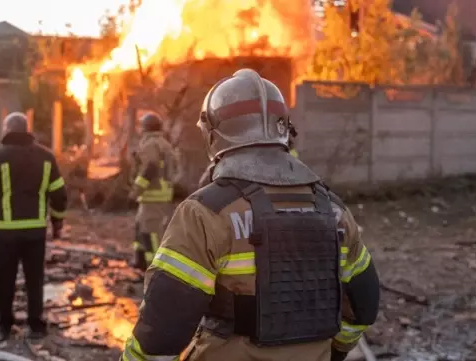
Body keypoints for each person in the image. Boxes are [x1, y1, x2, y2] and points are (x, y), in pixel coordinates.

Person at [120, 69, 380, 361]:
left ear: (213, 134)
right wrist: (334, 352)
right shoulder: (335, 211)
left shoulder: (205, 214)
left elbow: (163, 326)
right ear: (283, 129)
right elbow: (364, 303)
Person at [0, 112, 67, 341]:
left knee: (5, 280)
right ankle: (36, 326)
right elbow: (60, 194)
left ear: (8, 131)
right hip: (35, 232)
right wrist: (57, 223)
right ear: (26, 130)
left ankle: (5, 326)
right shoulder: (46, 157)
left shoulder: (1, 157)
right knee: (34, 280)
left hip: (6, 233)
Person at [129, 112, 179, 271]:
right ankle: (140, 260)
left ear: (145, 128)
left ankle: (156, 268)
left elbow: (150, 167)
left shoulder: (151, 144)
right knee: (140, 226)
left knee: (151, 232)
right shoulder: (164, 143)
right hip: (159, 194)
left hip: (153, 195)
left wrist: (136, 190)